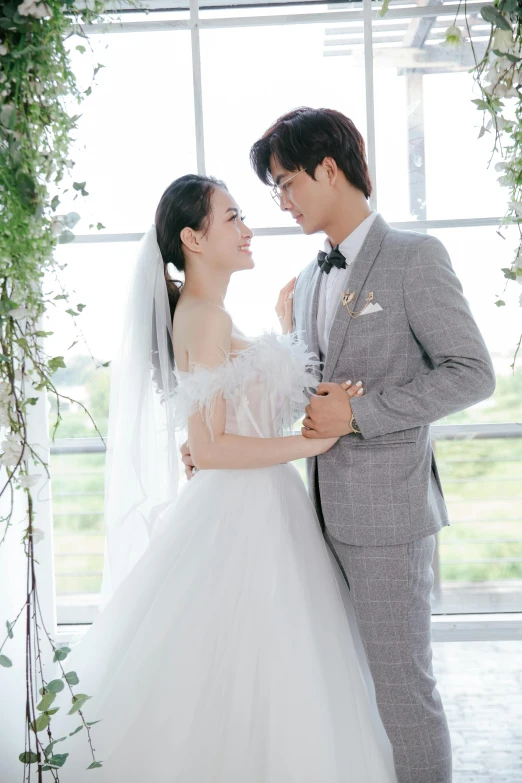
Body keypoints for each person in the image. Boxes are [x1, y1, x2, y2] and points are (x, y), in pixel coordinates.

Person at [53, 174, 398, 782]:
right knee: (250, 667)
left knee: (264, 668)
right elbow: (209, 449)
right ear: (192, 236)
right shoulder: (204, 319)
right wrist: (313, 441)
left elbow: (229, 426)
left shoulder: (212, 313)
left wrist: (286, 334)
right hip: (243, 511)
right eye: (233, 217)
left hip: (261, 503)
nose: (249, 229)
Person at [245, 107, 495, 783]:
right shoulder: (305, 280)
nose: (282, 199)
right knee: (346, 688)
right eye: (274, 188)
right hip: (318, 515)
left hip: (389, 518)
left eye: (288, 181)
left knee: (401, 691)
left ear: (330, 168)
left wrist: (362, 413)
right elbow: (311, 396)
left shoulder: (416, 257)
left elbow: (473, 372)